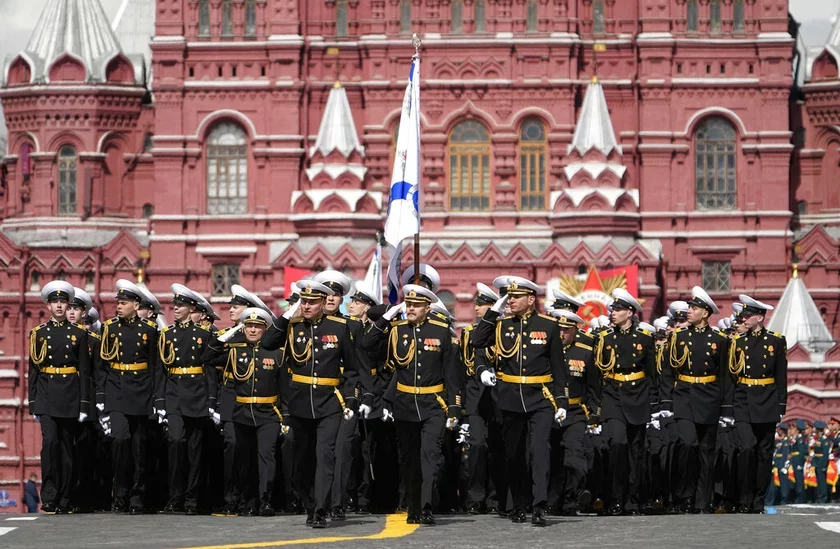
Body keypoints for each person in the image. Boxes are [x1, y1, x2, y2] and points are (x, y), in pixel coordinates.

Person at [272, 280, 373, 528]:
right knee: (302, 461)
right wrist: (287, 314)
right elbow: (267, 343)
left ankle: (319, 509)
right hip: (299, 403)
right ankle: (309, 502)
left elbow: (352, 367)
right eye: (303, 301)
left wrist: (350, 398)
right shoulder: (292, 326)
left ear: (322, 303)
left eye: (311, 302)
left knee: (325, 456)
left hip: (330, 402)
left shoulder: (340, 327)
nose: (306, 306)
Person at [471, 276, 568, 526]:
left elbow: (559, 368)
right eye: (509, 296)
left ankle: (539, 506)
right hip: (510, 399)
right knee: (513, 456)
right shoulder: (502, 325)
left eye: (516, 297)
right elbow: (477, 340)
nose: (511, 300)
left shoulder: (548, 326)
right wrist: (494, 310)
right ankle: (519, 503)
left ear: (531, 299)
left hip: (541, 398)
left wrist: (562, 402)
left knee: (538, 453)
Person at [374, 284, 463, 525]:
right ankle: (413, 506)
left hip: (433, 403)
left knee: (430, 456)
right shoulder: (396, 330)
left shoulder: (442, 332)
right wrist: (387, 317)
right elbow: (367, 345)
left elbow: (452, 374)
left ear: (427, 308)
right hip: (404, 404)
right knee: (410, 460)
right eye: (408, 304)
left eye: (416, 305)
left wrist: (454, 406)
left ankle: (425, 506)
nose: (410, 308)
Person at [205, 308, 284, 516]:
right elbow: (207, 356)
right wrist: (230, 333)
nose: (252, 330)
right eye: (248, 326)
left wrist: (286, 415)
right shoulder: (234, 351)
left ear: (265, 329)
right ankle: (250, 502)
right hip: (243, 413)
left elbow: (284, 385)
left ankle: (266, 500)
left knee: (267, 456)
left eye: (257, 327)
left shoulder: (276, 352)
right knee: (245, 460)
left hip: (269, 412)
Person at [660, 287, 731, 514]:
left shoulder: (719, 339)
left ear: (706, 313)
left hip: (709, 398)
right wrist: (666, 403)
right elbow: (668, 373)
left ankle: (703, 501)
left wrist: (726, 407)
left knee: (707, 453)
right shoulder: (678, 337)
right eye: (690, 307)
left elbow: (725, 376)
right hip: (684, 396)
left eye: (694, 308)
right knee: (687, 444)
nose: (689, 311)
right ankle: (685, 495)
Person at [97, 279, 159, 514]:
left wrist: (156, 398)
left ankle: (137, 496)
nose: (119, 307)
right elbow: (102, 365)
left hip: (141, 393)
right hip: (117, 391)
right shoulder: (109, 328)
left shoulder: (149, 330)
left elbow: (154, 366)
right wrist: (101, 395)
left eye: (124, 303)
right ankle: (120, 494)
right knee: (120, 441)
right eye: (118, 303)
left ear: (136, 304)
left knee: (139, 448)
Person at [156, 284, 218, 515]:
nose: (176, 309)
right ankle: (175, 497)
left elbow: (210, 370)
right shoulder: (167, 335)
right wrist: (160, 402)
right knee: (176, 442)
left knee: (195, 450)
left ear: (192, 308)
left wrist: (212, 401)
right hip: (174, 395)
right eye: (175, 305)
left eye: (180, 306)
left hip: (197, 396)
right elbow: (160, 370)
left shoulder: (204, 335)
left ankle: (192, 499)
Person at [29, 281, 90, 514]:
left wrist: (84, 403)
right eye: (55, 302)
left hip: (70, 396)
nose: (59, 306)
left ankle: (66, 497)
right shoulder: (38, 334)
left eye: (63, 302)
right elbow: (33, 371)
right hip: (46, 396)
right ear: (48, 305)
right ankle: (50, 496)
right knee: (50, 444)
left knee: (67, 448)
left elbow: (84, 371)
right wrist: (32, 402)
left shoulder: (79, 334)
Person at [596, 288, 657, 516]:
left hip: (638, 397)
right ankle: (615, 497)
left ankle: (633, 500)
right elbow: (596, 374)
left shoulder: (644, 339)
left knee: (636, 452)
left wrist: (653, 405)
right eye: (613, 309)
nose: (613, 313)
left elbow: (652, 375)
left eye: (618, 309)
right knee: (617, 444)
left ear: (630, 312)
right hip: (613, 396)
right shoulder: (604, 339)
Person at [727, 294, 787, 513]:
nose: (744, 319)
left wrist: (782, 405)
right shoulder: (737, 342)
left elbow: (781, 375)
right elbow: (731, 377)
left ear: (760, 318)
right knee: (746, 448)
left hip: (768, 401)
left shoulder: (776, 341)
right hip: (743, 399)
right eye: (743, 315)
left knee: (764, 453)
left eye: (748, 315)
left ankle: (758, 499)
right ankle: (744, 497)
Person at [549, 310, 601, 516]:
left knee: (574, 457)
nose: (562, 334)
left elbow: (593, 387)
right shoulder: (545, 351)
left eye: (566, 330)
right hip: (550, 411)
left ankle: (573, 497)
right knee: (552, 458)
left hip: (576, 411)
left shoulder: (584, 352)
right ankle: (552, 501)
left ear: (575, 330)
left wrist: (595, 414)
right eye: (559, 329)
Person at [462, 283, 507, 516]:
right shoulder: (469, 334)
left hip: (501, 399)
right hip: (476, 399)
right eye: (476, 304)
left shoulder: (505, 332)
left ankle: (495, 498)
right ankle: (475, 497)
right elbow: (462, 370)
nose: (477, 308)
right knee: (477, 446)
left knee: (498, 449)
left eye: (483, 304)